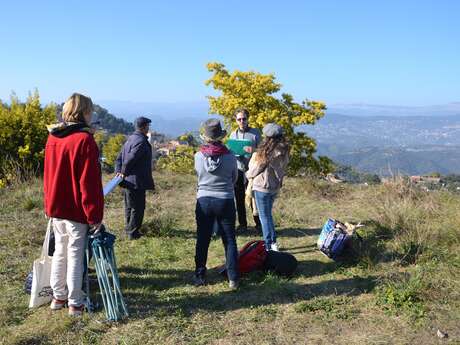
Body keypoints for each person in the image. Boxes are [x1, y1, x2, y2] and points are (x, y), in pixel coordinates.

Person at [43, 93, 104, 317]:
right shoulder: (84, 141)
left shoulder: (53, 137)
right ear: (84, 113)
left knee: (60, 251)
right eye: (90, 111)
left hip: (56, 206)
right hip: (76, 208)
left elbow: (48, 176)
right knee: (75, 255)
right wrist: (94, 215)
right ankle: (75, 303)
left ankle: (58, 297)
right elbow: (89, 183)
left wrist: (48, 204)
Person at [194, 118, 239, 289]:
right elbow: (234, 178)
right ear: (221, 136)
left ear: (205, 137)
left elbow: (198, 176)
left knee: (202, 238)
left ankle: (200, 275)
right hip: (225, 199)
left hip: (204, 199)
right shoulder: (231, 157)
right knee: (229, 239)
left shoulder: (198, 156)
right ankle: (233, 278)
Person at [246, 123, 290, 251]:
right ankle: (273, 243)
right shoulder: (284, 150)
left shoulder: (267, 152)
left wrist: (247, 174)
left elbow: (257, 169)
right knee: (268, 215)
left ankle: (269, 244)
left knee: (264, 217)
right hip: (274, 187)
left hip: (262, 187)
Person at [115, 116, 155, 240]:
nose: (149, 128)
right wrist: (123, 171)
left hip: (127, 181)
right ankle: (133, 233)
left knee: (129, 206)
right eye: (148, 126)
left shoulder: (130, 139)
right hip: (137, 181)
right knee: (138, 208)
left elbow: (119, 157)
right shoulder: (141, 141)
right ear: (143, 127)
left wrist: (118, 172)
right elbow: (130, 159)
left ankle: (129, 229)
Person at [229, 108, 262, 232]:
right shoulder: (233, 134)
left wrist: (252, 151)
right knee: (239, 198)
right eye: (239, 119)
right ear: (236, 120)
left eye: (244, 119)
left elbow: (263, 151)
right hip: (237, 169)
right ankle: (242, 224)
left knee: (254, 197)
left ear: (248, 119)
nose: (242, 121)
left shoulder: (255, 133)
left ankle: (258, 224)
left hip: (252, 171)